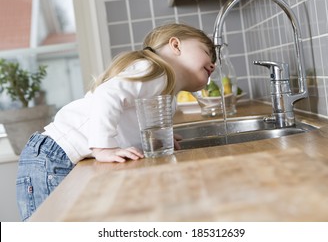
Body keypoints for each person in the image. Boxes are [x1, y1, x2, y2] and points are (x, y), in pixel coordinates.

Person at [16, 23, 216, 221]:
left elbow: (128, 123)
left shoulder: (166, 95)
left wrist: (157, 139)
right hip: (54, 155)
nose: (213, 64)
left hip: (58, 156)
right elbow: (107, 95)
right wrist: (103, 148)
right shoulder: (156, 71)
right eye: (207, 52)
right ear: (176, 45)